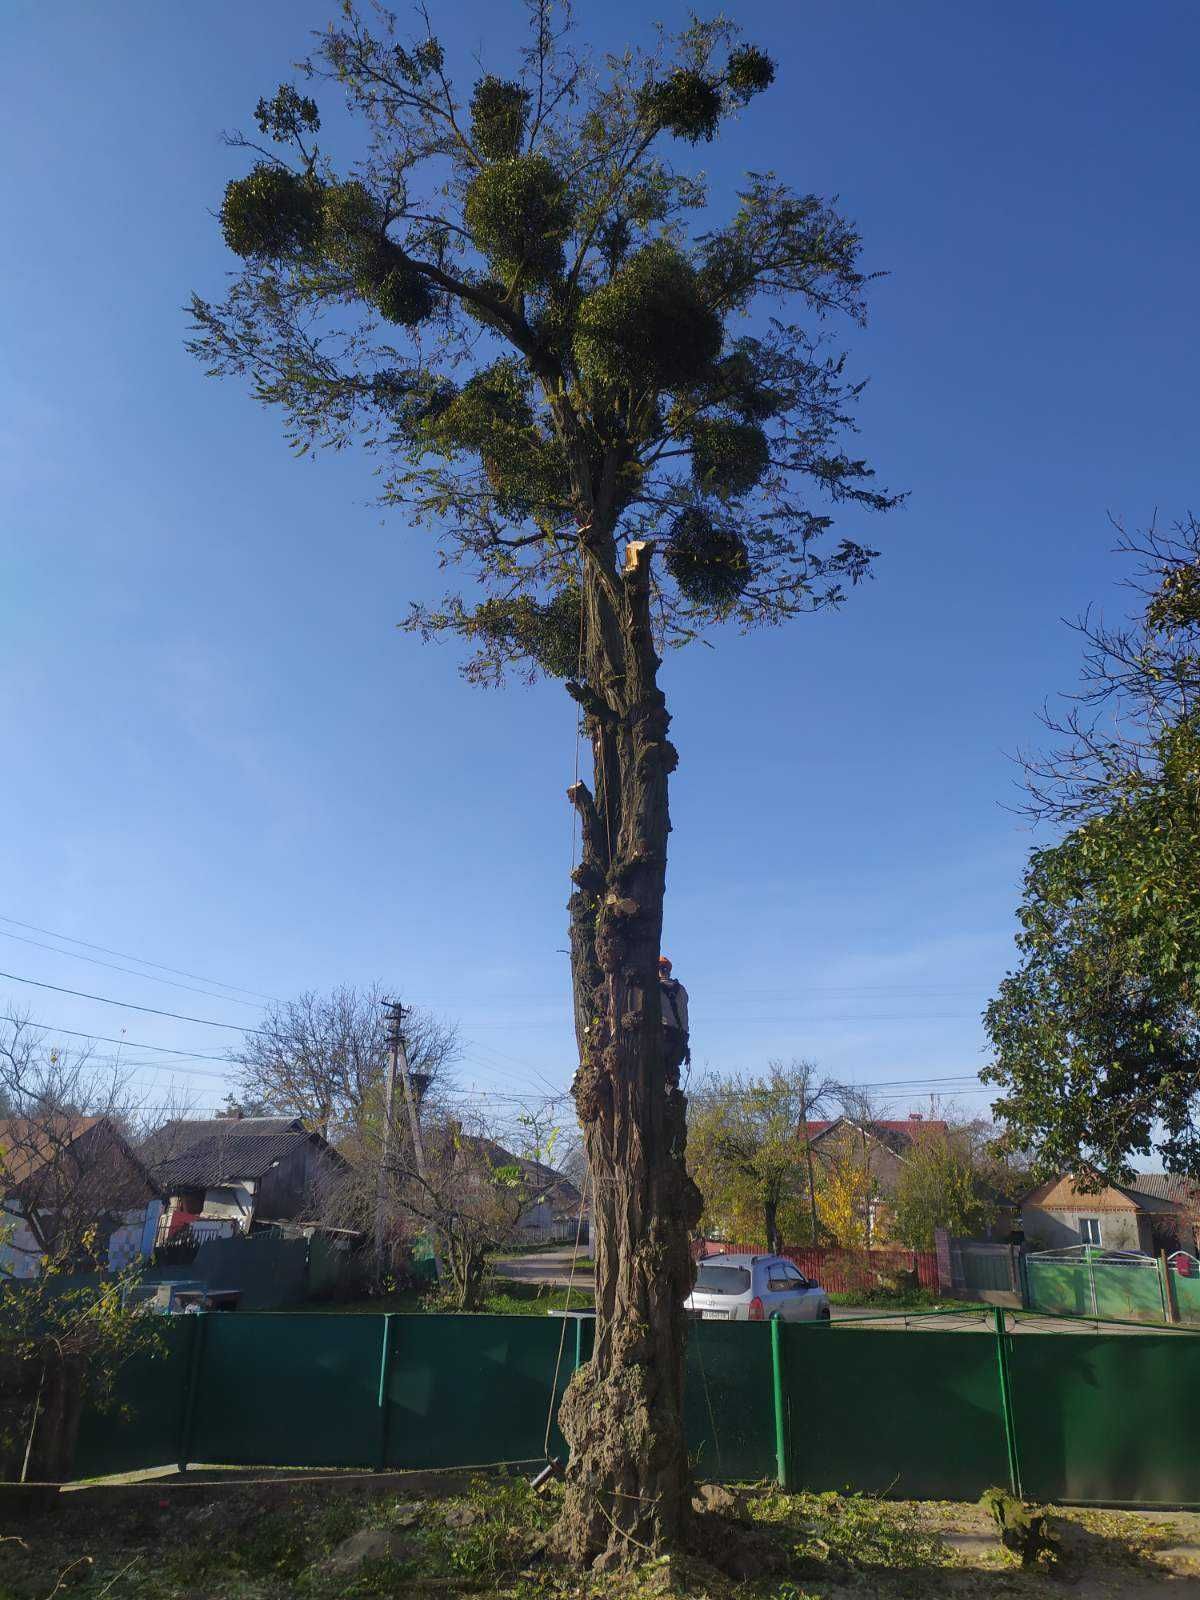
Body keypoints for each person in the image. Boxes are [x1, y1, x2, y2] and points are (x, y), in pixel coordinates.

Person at [658, 955, 690, 1083]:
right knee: (671, 1070)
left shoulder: (654, 988)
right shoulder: (682, 990)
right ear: (669, 970)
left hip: (665, 1036)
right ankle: (672, 1084)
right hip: (681, 1040)